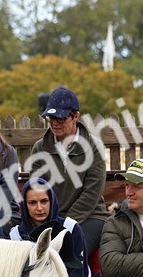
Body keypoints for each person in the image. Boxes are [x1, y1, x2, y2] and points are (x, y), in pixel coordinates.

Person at [28, 87, 111, 255]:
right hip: (50, 218)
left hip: (91, 216)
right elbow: (37, 190)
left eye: (61, 117)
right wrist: (50, 221)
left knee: (70, 251)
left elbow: (92, 193)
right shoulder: (39, 148)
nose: (54, 122)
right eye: (51, 117)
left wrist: (65, 223)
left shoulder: (94, 147)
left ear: (76, 117)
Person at [10, 177, 91, 277]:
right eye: (32, 203)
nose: (39, 208)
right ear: (24, 205)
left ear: (52, 201)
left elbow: (79, 276)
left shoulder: (70, 228)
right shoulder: (16, 235)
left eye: (44, 201)